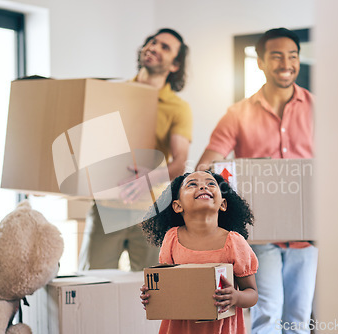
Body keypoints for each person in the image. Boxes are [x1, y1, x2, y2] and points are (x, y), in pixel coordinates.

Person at [196, 28, 318, 334]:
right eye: (276, 56)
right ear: (261, 62)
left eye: (292, 56)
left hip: (308, 235)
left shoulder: (319, 109)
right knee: (268, 311)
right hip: (261, 233)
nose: (286, 63)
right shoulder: (238, 114)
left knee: (300, 317)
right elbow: (206, 166)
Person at [78, 28, 193, 271]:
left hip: (151, 210)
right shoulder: (112, 94)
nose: (154, 47)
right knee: (92, 282)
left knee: (153, 288)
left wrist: (147, 180)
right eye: (152, 42)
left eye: (165, 47)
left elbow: (180, 161)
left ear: (175, 65)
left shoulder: (177, 107)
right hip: (107, 205)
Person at [139, 171, 258, 334]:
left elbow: (252, 294)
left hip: (221, 328)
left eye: (210, 184)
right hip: (180, 328)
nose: (203, 186)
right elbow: (166, 285)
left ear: (223, 204)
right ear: (177, 205)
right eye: (192, 184)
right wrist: (153, 295)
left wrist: (236, 297)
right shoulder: (172, 239)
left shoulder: (234, 243)